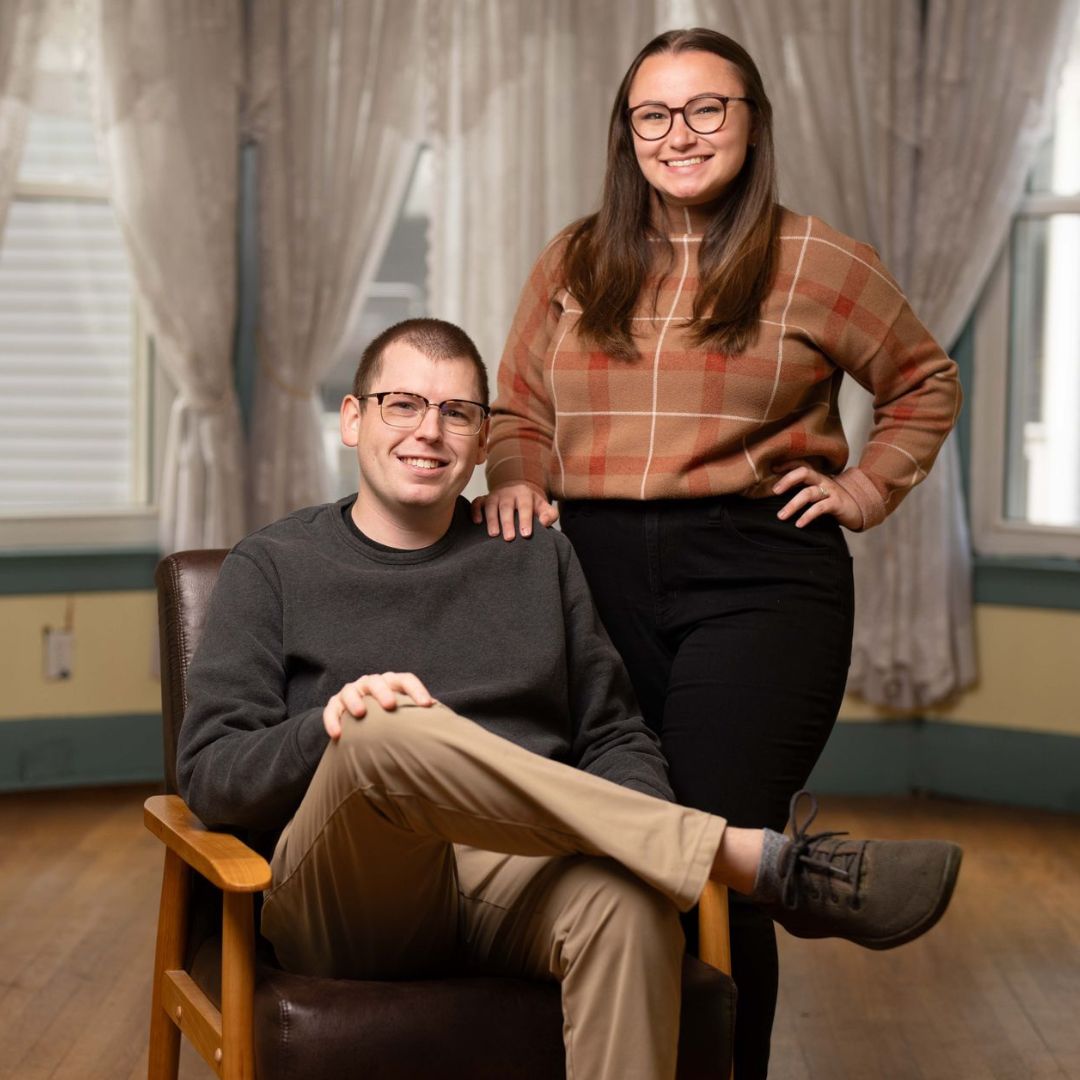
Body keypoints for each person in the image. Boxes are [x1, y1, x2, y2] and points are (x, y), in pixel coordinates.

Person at [178, 318, 961, 1080]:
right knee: (385, 725)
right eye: (403, 404)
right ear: (353, 420)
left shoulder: (534, 559)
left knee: (629, 906)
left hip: (519, 873)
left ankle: (685, 852)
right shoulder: (272, 566)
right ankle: (741, 855)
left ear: (485, 442)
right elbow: (210, 774)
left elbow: (614, 733)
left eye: (458, 412)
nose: (430, 432)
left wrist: (633, 834)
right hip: (352, 896)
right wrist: (327, 726)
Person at [475, 28, 963, 1078]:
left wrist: (865, 486)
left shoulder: (817, 257)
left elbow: (925, 381)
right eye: (654, 114)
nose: (679, 134)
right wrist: (514, 476)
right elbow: (517, 406)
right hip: (588, 574)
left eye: (708, 109)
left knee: (711, 843)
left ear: (752, 123)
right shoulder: (572, 260)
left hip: (760, 576)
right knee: (614, 843)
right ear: (627, 133)